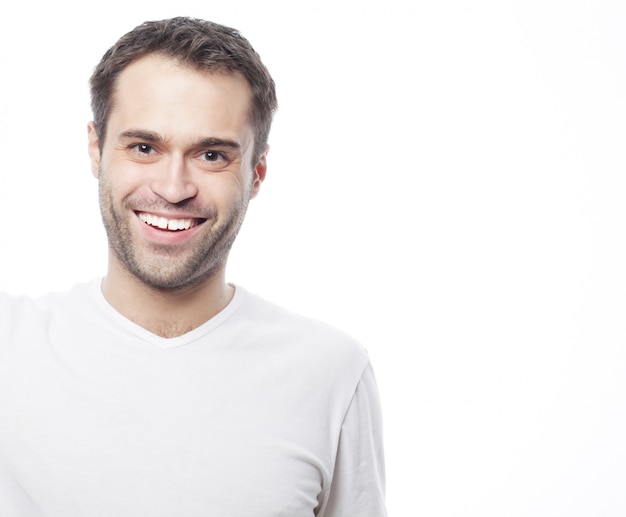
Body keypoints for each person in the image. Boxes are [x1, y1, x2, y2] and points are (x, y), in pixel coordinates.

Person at [0, 17, 386, 516]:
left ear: (257, 172)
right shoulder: (10, 345)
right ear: (96, 149)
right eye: (144, 147)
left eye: (210, 155)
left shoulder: (331, 371)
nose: (173, 187)